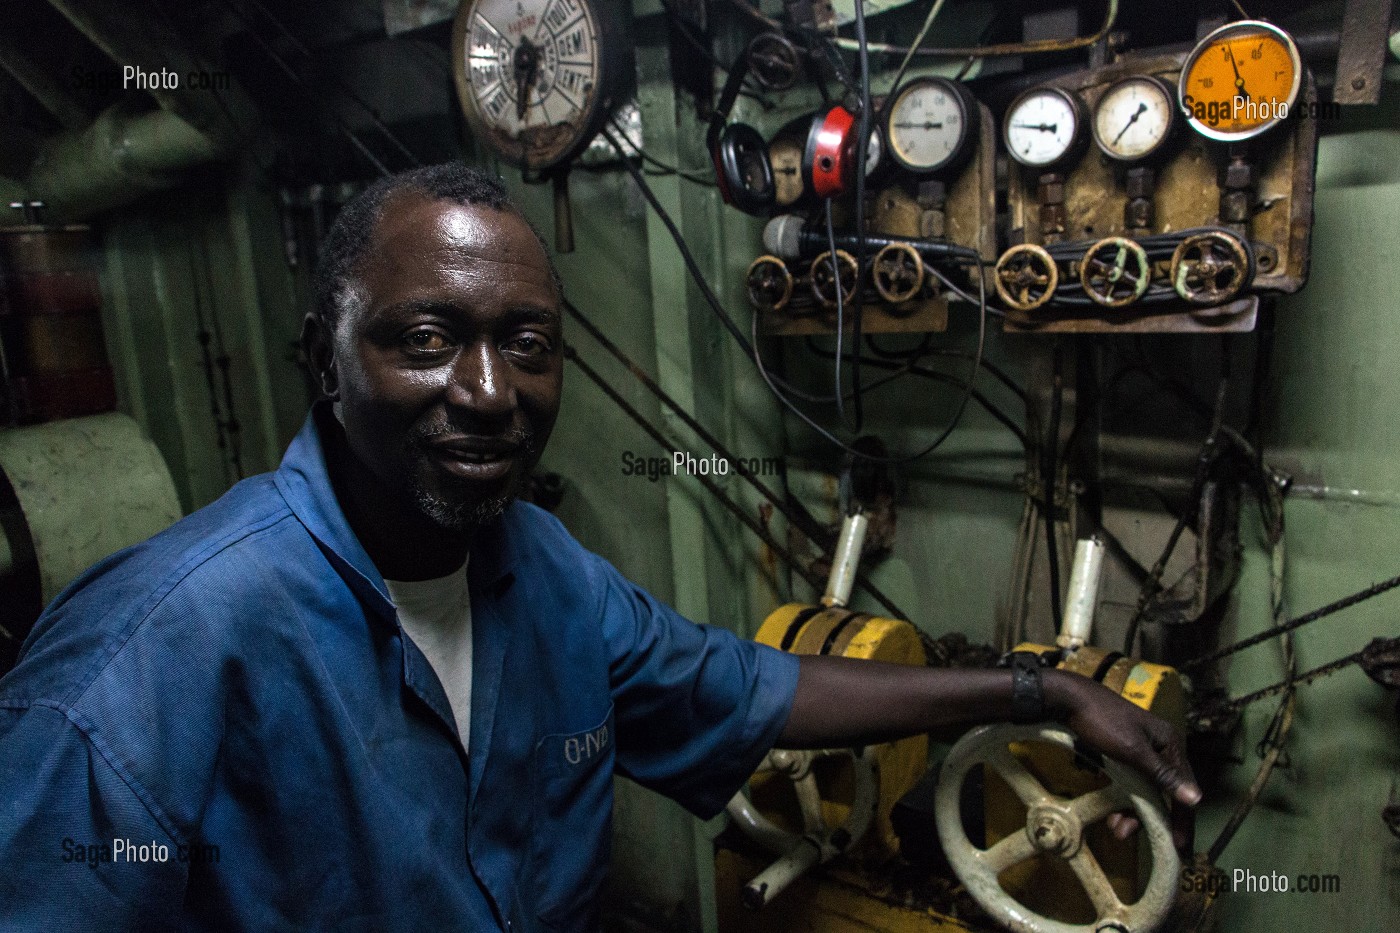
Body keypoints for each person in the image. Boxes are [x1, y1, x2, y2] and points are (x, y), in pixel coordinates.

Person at [0, 163, 1198, 932]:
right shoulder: (143, 663)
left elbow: (758, 685)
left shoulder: (544, 575)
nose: (487, 391)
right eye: (425, 339)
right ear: (323, 356)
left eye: (527, 344)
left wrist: (1036, 686)